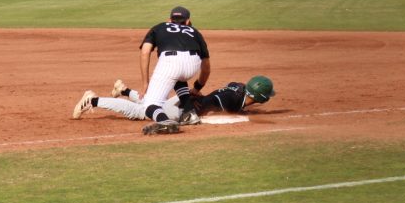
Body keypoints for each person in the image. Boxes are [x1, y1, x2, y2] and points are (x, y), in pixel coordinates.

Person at [133, 4, 210, 135]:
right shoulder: (195, 32)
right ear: (187, 22)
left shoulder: (159, 27)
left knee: (149, 104)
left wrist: (145, 83)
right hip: (192, 66)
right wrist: (197, 88)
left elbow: (145, 52)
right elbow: (206, 67)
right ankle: (189, 113)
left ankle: (165, 121)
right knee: (178, 78)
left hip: (170, 63)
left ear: (169, 20)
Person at [72, 75, 274, 123]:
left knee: (150, 103)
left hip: (182, 101)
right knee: (141, 113)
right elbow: (211, 106)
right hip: (182, 109)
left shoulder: (237, 89)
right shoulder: (233, 99)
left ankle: (124, 90)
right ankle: (93, 100)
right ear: (261, 98)